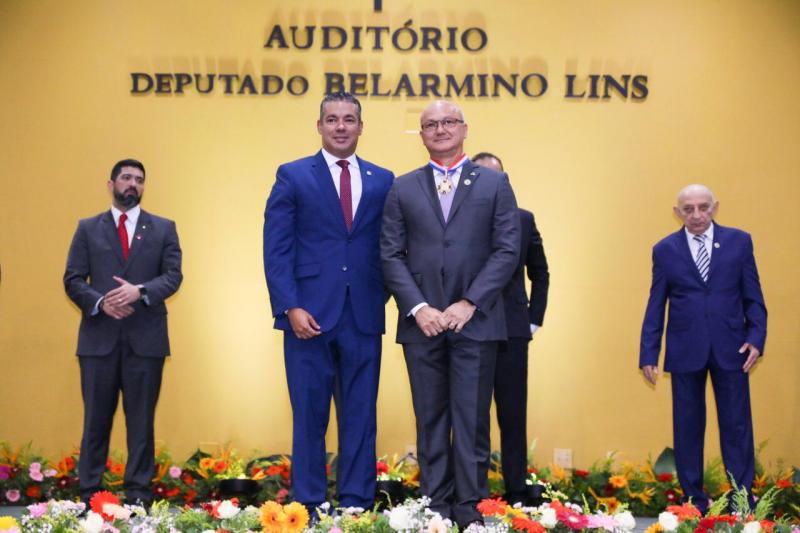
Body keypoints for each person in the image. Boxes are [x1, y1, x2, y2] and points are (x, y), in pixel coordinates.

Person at [381, 100, 520, 527]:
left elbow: (507, 248)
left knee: (473, 422)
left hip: (476, 323)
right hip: (422, 326)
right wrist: (419, 307)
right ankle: (436, 511)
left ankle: (470, 512)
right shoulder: (402, 187)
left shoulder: (494, 184)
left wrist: (469, 302)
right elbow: (389, 253)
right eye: (430, 124)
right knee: (430, 422)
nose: (440, 129)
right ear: (421, 134)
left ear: (464, 129)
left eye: (448, 122)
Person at [263, 92, 394, 512]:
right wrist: (289, 306)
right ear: (318, 126)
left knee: (360, 416)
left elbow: (391, 247)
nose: (341, 126)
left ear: (360, 126)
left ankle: (355, 500)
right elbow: (276, 248)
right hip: (308, 316)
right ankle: (310, 501)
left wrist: (383, 294)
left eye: (349, 119)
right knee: (309, 416)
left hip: (363, 315)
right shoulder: (293, 175)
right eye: (332, 119)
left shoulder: (383, 179)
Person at [639, 184, 766, 512]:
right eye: (689, 209)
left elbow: (753, 295)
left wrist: (757, 336)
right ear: (677, 212)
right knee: (687, 426)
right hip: (685, 349)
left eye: (703, 207)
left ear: (715, 207)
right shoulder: (664, 249)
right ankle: (693, 498)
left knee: (737, 425)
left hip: (733, 347)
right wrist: (648, 353)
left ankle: (741, 498)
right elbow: (656, 303)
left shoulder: (740, 241)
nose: (697, 215)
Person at [64, 159, 183, 506]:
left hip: (146, 341)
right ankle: (91, 495)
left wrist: (140, 291)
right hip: (98, 340)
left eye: (139, 180)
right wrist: (101, 302)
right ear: (111, 183)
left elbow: (174, 276)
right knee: (95, 422)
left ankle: (138, 495)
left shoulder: (163, 228)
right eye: (126, 178)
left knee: (142, 423)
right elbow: (72, 279)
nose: (133, 184)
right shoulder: (87, 228)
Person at [472, 152, 549, 505]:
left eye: (496, 177)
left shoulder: (523, 219)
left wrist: (533, 318)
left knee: (512, 413)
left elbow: (540, 273)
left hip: (513, 331)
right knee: (471, 415)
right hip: (468, 329)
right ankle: (472, 489)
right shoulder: (457, 220)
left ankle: (516, 489)